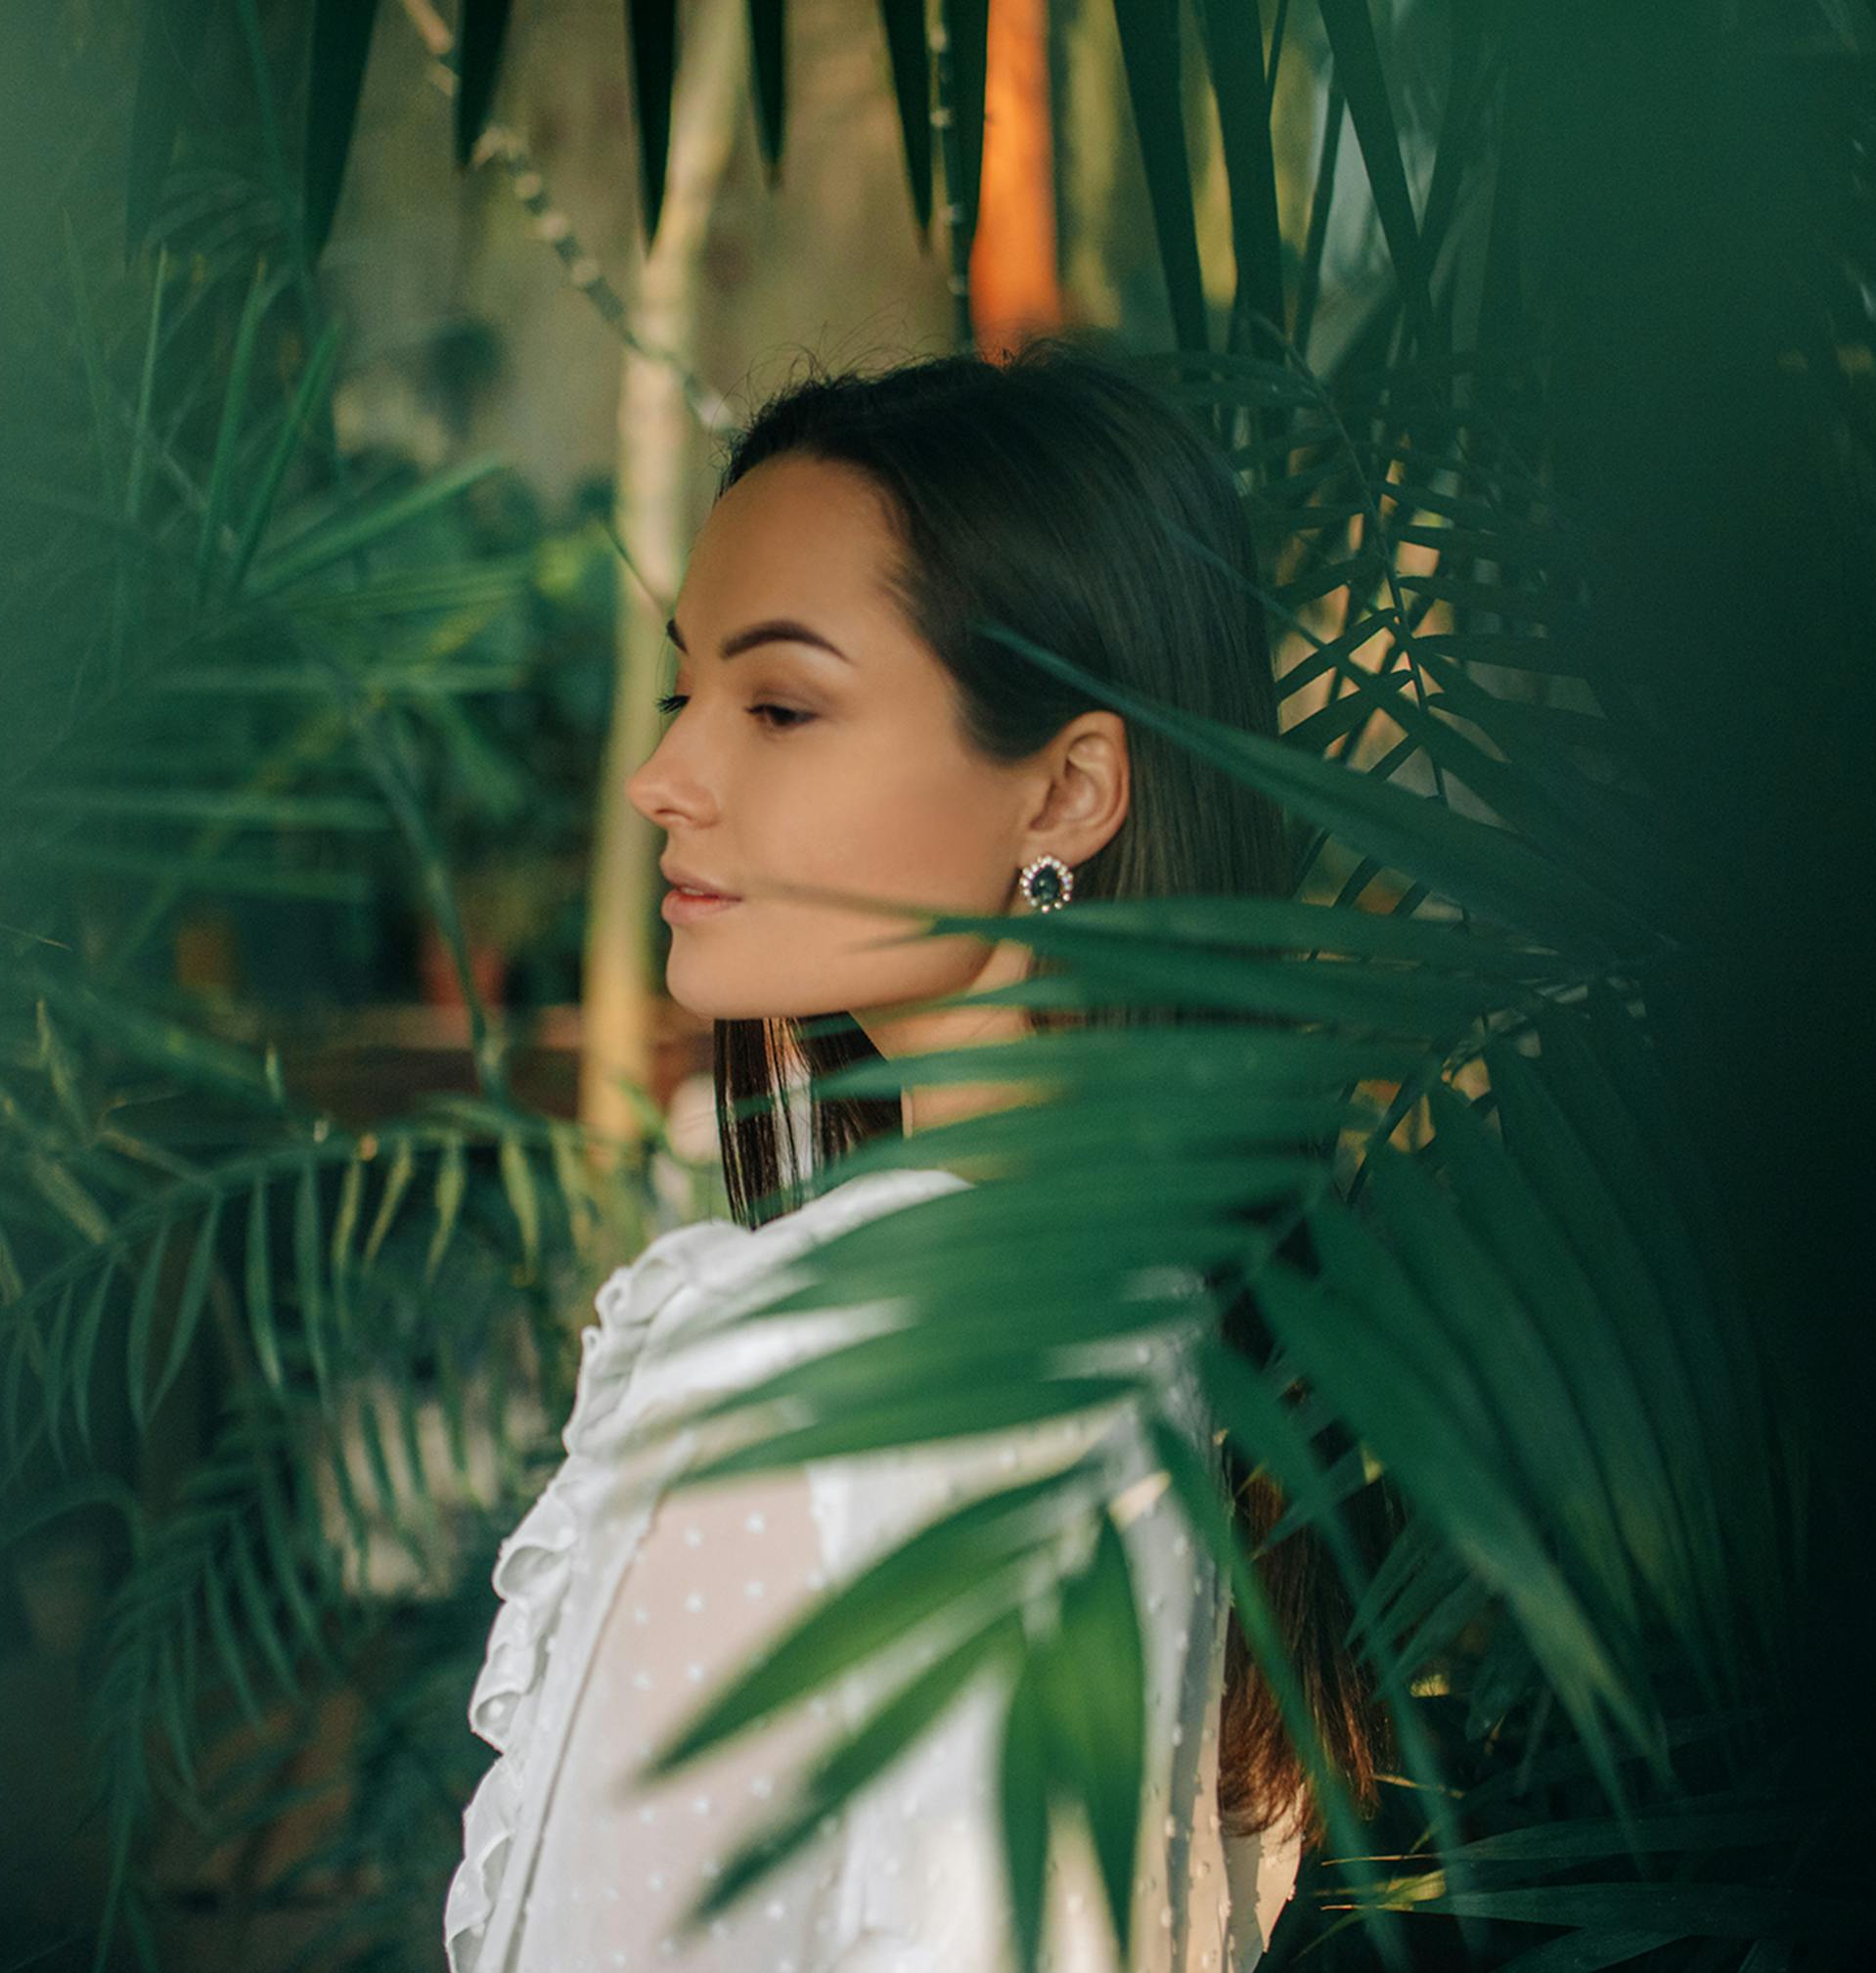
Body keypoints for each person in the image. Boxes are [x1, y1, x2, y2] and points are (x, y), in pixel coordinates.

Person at [444, 336, 1377, 1973]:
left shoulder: (805, 1364)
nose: (666, 777)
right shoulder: (1190, 1353)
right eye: (687, 691)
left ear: (1069, 788)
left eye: (781, 705)